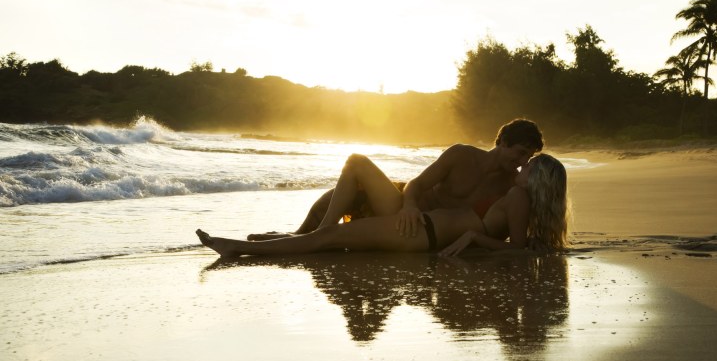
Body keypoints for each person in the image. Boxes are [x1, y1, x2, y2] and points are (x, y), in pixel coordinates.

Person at [196, 153, 569, 258]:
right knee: (330, 238)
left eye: (531, 165)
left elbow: (517, 250)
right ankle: (256, 245)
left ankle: (239, 248)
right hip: (423, 227)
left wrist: (473, 236)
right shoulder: (516, 194)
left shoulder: (518, 196)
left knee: (329, 238)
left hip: (423, 233)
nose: (524, 166)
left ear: (538, 179)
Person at [247, 118, 544, 241]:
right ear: (502, 141)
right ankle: (306, 236)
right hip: (401, 205)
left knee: (347, 189)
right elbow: (416, 184)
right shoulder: (462, 155)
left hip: (423, 231)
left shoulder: (510, 186)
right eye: (518, 153)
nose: (520, 163)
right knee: (355, 165)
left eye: (526, 159)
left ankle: (306, 239)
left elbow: (500, 225)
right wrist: (410, 206)